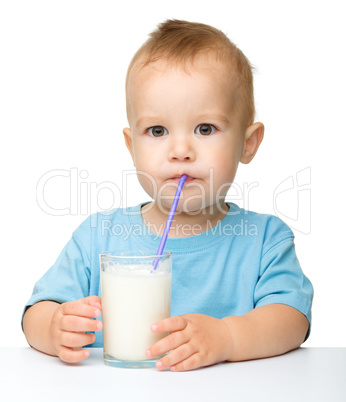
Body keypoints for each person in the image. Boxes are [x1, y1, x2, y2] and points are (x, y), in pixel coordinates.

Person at [22, 19, 313, 372]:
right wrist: (54, 327)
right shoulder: (99, 236)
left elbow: (292, 319)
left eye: (205, 129)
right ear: (132, 147)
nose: (180, 150)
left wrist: (228, 337)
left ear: (247, 144)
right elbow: (37, 311)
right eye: (157, 130)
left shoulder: (264, 240)